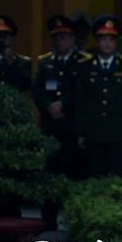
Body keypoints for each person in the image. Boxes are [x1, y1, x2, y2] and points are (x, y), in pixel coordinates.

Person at [74, 15, 122, 178]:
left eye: (111, 39)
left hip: (117, 132)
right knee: (93, 175)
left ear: (116, 42)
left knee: (116, 176)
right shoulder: (85, 66)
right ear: (97, 41)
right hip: (93, 131)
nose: (107, 43)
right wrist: (80, 132)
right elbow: (80, 102)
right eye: (103, 39)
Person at [32, 14, 86, 175]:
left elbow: (83, 91)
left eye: (64, 37)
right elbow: (37, 89)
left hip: (72, 121)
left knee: (74, 165)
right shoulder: (46, 61)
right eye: (56, 37)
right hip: (50, 122)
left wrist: (63, 104)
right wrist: (48, 105)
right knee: (51, 164)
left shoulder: (82, 62)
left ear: (72, 38)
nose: (60, 41)